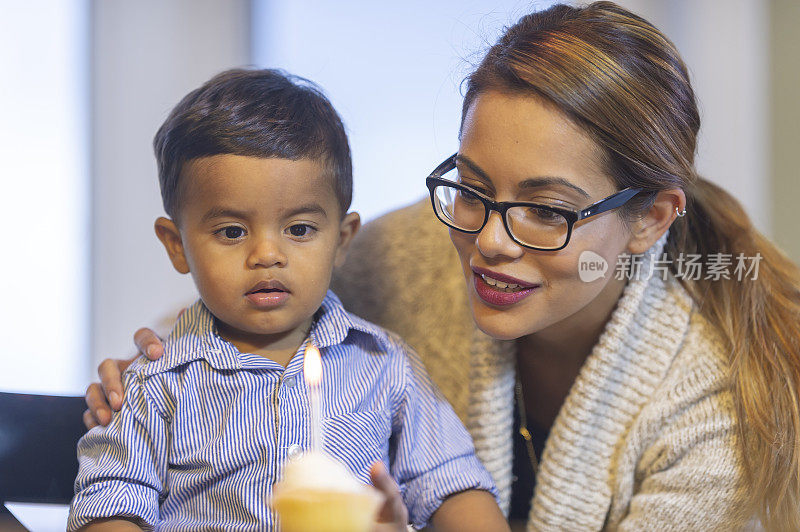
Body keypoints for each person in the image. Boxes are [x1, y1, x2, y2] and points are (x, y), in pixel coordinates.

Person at [84, 2, 800, 530]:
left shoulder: (709, 417)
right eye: (474, 187)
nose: (490, 240)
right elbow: (244, 301)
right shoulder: (409, 254)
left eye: (547, 210)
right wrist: (146, 365)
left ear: (650, 219)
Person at [69, 68, 508, 532]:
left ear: (341, 240)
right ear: (176, 244)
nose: (268, 255)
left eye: (299, 230)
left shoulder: (386, 365)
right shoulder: (153, 383)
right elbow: (110, 505)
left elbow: (455, 487)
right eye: (232, 232)